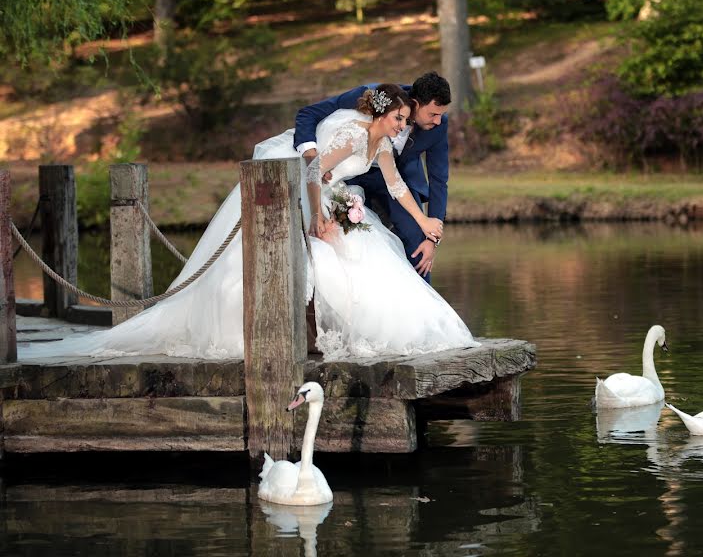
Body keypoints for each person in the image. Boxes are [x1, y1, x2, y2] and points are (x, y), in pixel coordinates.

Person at [18, 84, 478, 361]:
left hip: (336, 197)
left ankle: (359, 333)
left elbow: (397, 187)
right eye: (399, 119)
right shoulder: (355, 133)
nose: (403, 127)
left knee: (368, 251)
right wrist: (319, 215)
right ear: (385, 113)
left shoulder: (380, 146)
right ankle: (300, 332)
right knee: (334, 251)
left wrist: (428, 221)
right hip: (307, 191)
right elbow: (315, 171)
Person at [295, 72, 451, 283]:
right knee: (350, 243)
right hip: (342, 180)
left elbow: (436, 180)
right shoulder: (376, 97)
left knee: (415, 235)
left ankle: (422, 301)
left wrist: (432, 234)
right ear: (414, 104)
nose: (438, 120)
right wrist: (314, 160)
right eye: (433, 114)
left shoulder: (429, 130)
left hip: (392, 179)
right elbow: (308, 115)